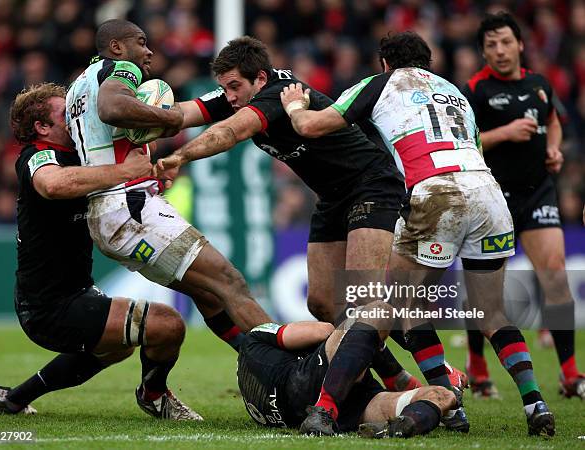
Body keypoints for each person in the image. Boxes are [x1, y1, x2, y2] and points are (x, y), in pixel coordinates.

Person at [154, 35, 477, 395]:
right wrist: (138, 118)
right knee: (322, 302)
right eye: (225, 88)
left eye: (234, 87)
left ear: (260, 79)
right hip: (332, 198)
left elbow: (231, 133)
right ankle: (397, 377)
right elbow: (184, 113)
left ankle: (437, 373)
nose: (229, 96)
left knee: (364, 298)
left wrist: (180, 157)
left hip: (371, 184)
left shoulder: (279, 94)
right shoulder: (238, 95)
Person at [279, 31, 555, 436]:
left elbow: (313, 126)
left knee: (390, 306)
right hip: (489, 195)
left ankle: (328, 408)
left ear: (384, 63)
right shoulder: (455, 93)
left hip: (436, 191)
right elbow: (477, 146)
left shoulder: (381, 83)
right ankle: (534, 404)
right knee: (490, 311)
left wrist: (295, 106)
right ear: (427, 61)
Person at [0, 82, 201, 420]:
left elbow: (113, 182)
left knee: (118, 347)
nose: (76, 119)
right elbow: (53, 184)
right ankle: (154, 396)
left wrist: (149, 178)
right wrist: (124, 171)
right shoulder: (38, 156)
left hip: (74, 292)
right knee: (168, 325)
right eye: (65, 114)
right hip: (47, 306)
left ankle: (14, 399)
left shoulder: (83, 156)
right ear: (42, 128)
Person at [65, 19, 272, 343]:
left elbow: (189, 111)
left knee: (211, 294)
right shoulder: (122, 68)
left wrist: (175, 122)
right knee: (230, 281)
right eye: (141, 41)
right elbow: (112, 108)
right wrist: (170, 119)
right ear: (117, 47)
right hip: (131, 209)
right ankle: (290, 368)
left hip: (106, 215)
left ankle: (257, 364)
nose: (149, 51)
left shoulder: (78, 87)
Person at [462, 12, 584, 400]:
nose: (498, 51)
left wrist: (553, 148)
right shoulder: (474, 90)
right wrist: (505, 133)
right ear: (483, 51)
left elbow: (556, 120)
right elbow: (464, 141)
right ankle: (478, 369)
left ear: (520, 44)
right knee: (486, 295)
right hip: (492, 198)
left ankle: (570, 375)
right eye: (490, 45)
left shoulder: (540, 84)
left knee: (555, 274)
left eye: (505, 42)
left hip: (537, 193)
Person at [237, 301, 458, 437]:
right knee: (377, 311)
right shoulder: (258, 334)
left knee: (440, 395)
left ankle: (406, 425)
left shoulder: (253, 376)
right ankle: (325, 409)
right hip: (310, 385)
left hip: (325, 406)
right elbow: (323, 330)